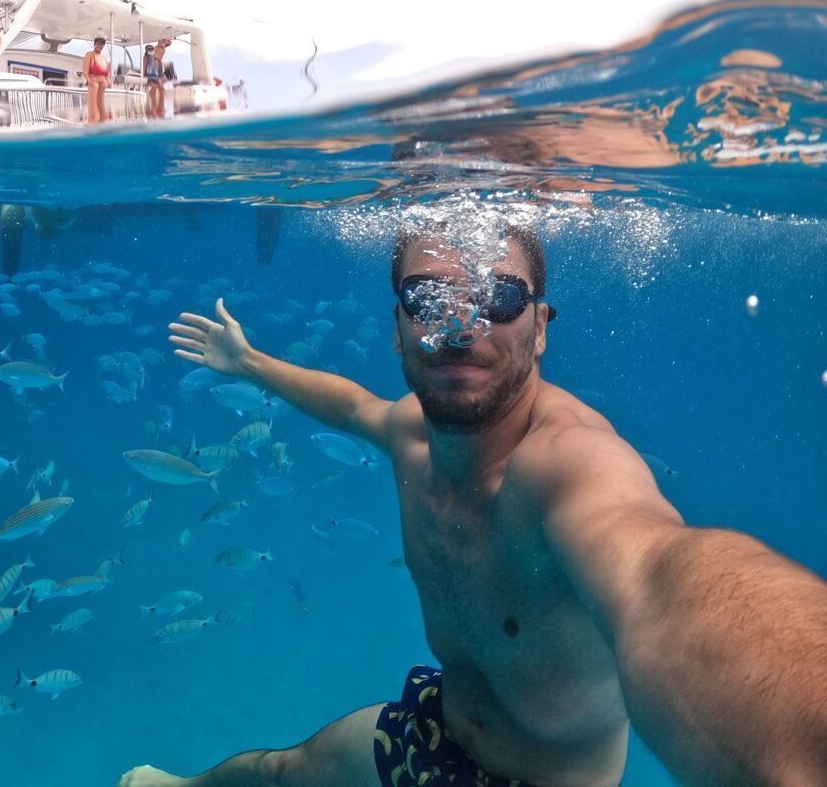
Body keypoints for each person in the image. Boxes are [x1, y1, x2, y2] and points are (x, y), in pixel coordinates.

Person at [121, 224, 827, 787]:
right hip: (442, 728)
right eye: (429, 298)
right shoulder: (411, 432)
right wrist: (249, 363)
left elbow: (659, 576)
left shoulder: (570, 466)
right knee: (279, 773)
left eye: (500, 297)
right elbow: (352, 405)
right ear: (398, 326)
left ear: (541, 326)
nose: (462, 325)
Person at [83, 36, 112, 124]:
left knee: (102, 112)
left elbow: (107, 73)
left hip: (103, 84)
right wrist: (89, 80)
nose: (99, 46)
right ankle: (92, 126)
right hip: (94, 83)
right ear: (94, 44)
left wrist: (108, 81)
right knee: (94, 111)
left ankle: (101, 128)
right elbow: (85, 71)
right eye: (98, 44)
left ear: (103, 46)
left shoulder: (103, 58)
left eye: (101, 44)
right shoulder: (90, 55)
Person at [143, 38, 171, 119]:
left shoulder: (156, 57)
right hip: (149, 77)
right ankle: (153, 111)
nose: (151, 50)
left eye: (151, 49)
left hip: (155, 76)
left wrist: (163, 40)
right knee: (153, 89)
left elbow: (169, 42)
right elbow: (143, 70)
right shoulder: (146, 58)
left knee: (162, 89)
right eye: (149, 49)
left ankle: (160, 110)